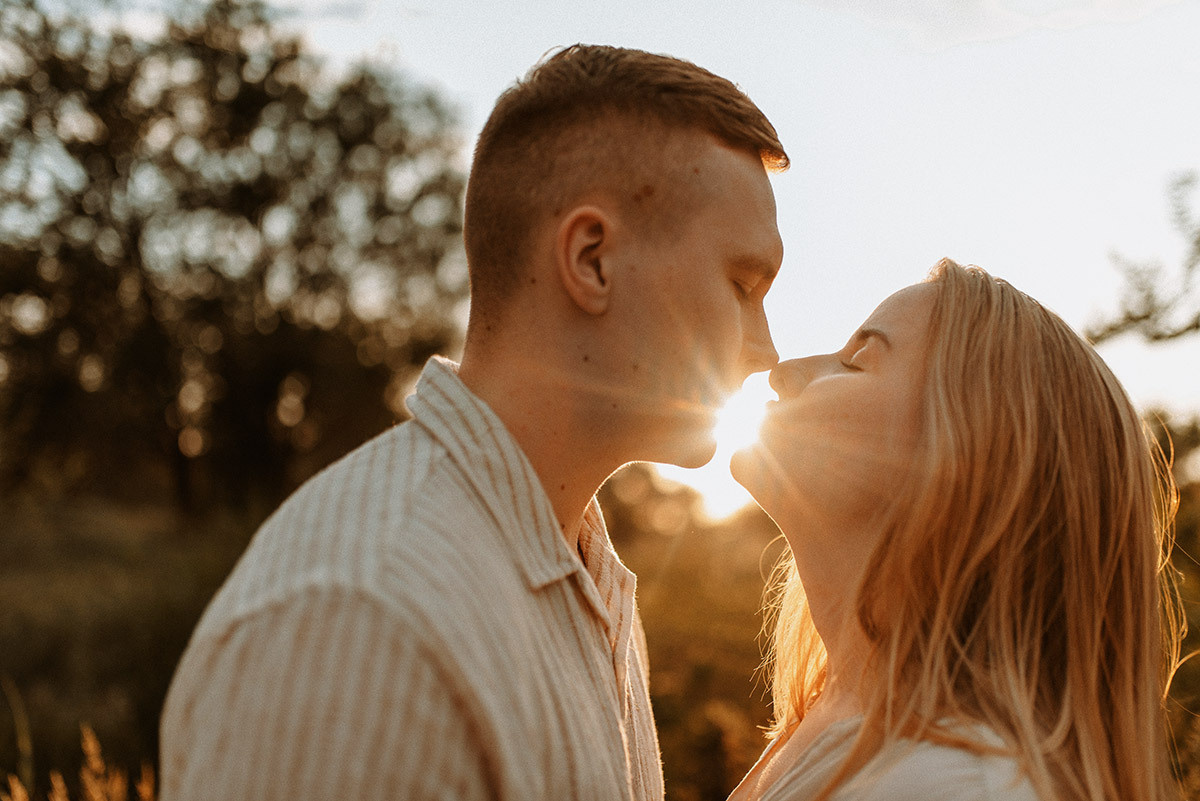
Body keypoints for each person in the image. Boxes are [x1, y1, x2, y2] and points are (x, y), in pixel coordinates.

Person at [159, 44, 788, 801]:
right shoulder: (363, 621)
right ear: (591, 259)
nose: (766, 350)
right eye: (742, 284)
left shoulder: (585, 578)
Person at [728, 258, 1184, 801]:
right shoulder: (837, 725)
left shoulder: (955, 783)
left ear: (962, 461)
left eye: (856, 361)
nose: (784, 371)